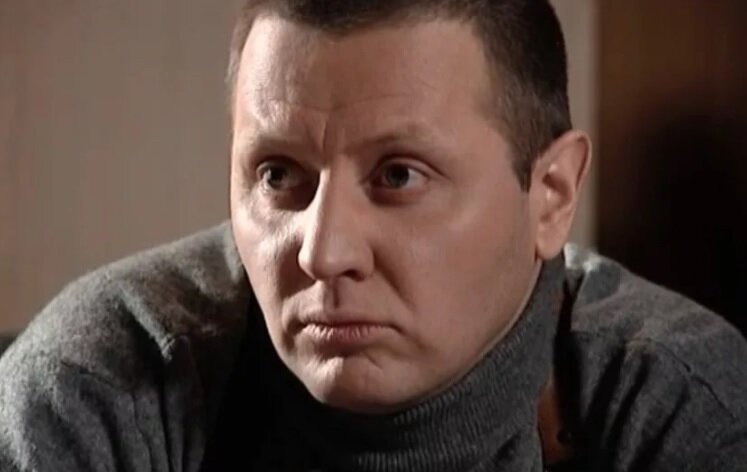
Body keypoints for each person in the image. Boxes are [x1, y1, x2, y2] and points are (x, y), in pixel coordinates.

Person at [1, 0, 746, 470]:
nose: (322, 252)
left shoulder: (677, 402)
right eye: (278, 175)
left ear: (549, 196)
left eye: (397, 176)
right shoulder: (95, 392)